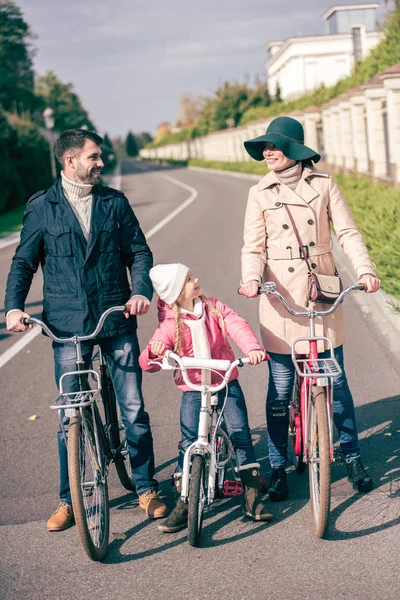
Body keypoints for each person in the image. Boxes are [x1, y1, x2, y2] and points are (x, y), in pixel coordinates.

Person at [5, 128, 167, 531]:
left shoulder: (114, 203)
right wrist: (13, 308)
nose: (101, 163)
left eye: (100, 157)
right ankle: (70, 499)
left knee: (132, 409)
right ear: (70, 161)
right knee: (70, 414)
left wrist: (140, 291)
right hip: (65, 325)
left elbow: (140, 253)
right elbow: (24, 263)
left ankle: (146, 488)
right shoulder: (42, 207)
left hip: (114, 315)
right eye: (94, 157)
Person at [239, 116, 381, 502]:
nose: (267, 152)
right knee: (281, 389)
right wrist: (251, 278)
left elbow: (347, 232)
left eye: (274, 146)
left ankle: (351, 456)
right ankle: (277, 466)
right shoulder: (259, 192)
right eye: (264, 147)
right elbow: (253, 246)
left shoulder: (324, 184)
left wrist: (365, 270)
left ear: (295, 150)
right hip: (281, 299)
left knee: (337, 385)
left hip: (322, 292)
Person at [139, 263, 272, 532]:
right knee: (188, 441)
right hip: (193, 387)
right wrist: (154, 352)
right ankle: (185, 500)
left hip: (224, 380)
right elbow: (150, 357)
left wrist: (252, 347)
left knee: (240, 432)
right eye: (189, 279)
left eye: (192, 275)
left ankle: (251, 494)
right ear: (176, 293)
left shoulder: (213, 307)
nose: (196, 279)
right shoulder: (170, 322)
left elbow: (236, 324)